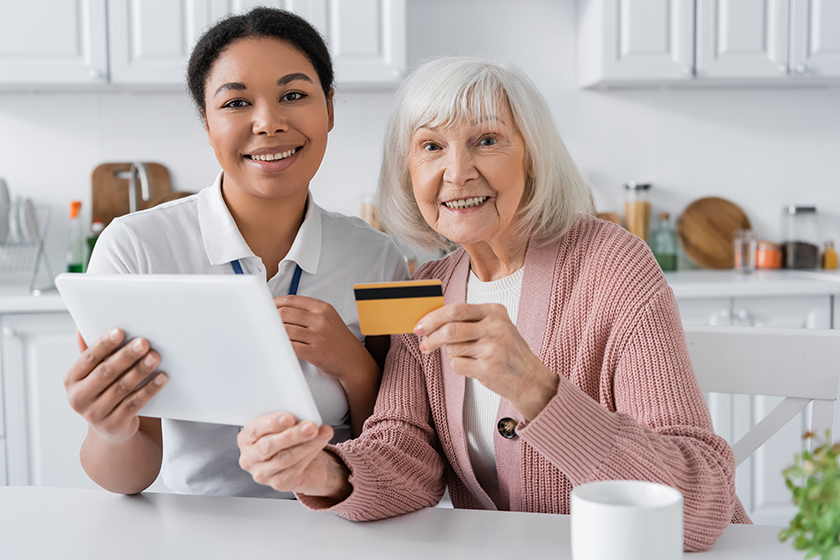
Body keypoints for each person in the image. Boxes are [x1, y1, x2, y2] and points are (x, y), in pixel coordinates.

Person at [235, 57, 750, 551]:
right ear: (408, 173)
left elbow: (700, 504)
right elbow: (404, 451)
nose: (457, 173)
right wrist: (323, 471)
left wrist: (533, 388)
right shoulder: (424, 285)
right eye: (431, 147)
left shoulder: (613, 264)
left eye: (486, 140)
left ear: (533, 155)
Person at [62, 7, 407, 498]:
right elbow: (127, 479)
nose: (267, 123)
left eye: (293, 95)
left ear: (329, 108)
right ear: (206, 122)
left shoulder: (382, 257)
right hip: (193, 530)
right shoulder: (134, 249)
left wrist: (354, 366)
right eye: (236, 103)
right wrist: (110, 430)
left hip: (338, 523)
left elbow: (405, 440)